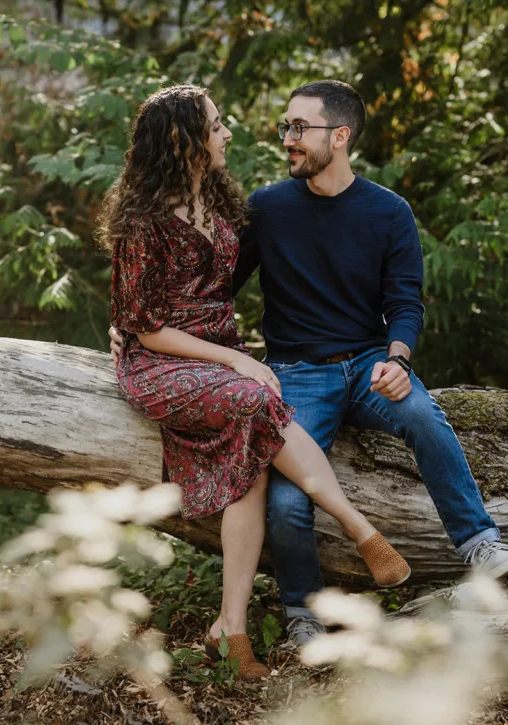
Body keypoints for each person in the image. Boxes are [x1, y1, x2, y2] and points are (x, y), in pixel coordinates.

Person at [110, 80, 508, 651]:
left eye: (299, 128)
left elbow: (405, 302)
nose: (287, 138)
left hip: (370, 363)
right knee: (285, 501)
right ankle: (301, 612)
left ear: (340, 135)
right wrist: (133, 325)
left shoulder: (389, 211)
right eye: (286, 127)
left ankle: (481, 543)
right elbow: (206, 284)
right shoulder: (267, 209)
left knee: (425, 417)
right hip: (297, 372)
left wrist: (398, 358)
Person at [102, 84, 411, 681]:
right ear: (185, 140)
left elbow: (230, 278)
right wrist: (231, 359)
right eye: (217, 125)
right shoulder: (142, 221)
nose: (228, 134)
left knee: (253, 462)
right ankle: (359, 527)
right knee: (255, 399)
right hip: (162, 361)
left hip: (219, 352)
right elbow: (147, 325)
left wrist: (235, 355)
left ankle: (231, 627)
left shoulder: (217, 199)